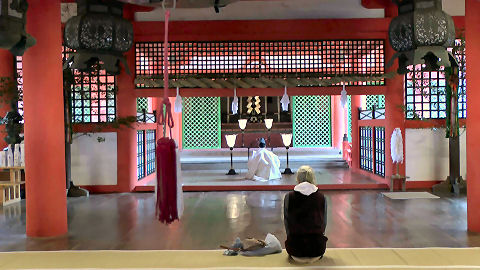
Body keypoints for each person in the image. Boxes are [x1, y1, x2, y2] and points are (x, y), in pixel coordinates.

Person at [283, 166, 328, 264]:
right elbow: (323, 224)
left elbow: (287, 224)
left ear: (298, 179)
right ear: (313, 178)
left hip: (295, 250)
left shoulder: (289, 197)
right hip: (318, 249)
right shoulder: (321, 197)